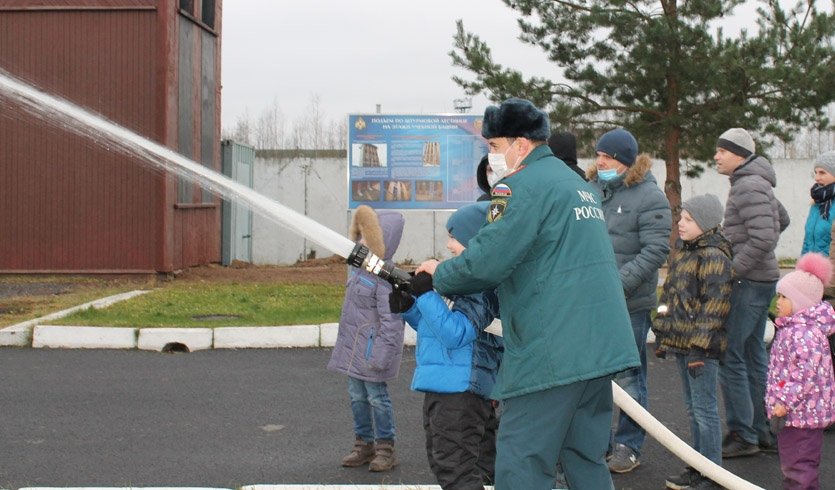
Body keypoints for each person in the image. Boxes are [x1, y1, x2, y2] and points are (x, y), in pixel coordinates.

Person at [416, 97, 640, 490]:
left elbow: (488, 258)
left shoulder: (519, 187)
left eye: (494, 147)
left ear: (521, 144)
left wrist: (439, 275)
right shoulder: (576, 184)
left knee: (520, 461)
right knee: (584, 458)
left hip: (553, 350)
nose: (492, 159)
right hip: (598, 344)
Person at [390, 201, 503, 489]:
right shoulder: (460, 280)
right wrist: (409, 306)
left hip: (460, 391)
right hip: (448, 386)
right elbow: (436, 328)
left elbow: (456, 333)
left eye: (454, 237)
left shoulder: (481, 286)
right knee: (460, 465)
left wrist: (426, 295)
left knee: (455, 469)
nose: (449, 245)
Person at [587, 127, 672, 473]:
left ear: (624, 161)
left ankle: (628, 444)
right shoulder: (591, 190)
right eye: (599, 155)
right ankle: (598, 442)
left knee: (629, 377)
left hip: (628, 303)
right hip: (591, 301)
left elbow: (656, 250)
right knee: (593, 376)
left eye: (607, 156)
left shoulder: (649, 196)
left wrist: (618, 285)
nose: (599, 161)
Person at [713, 127, 790, 458]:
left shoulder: (747, 184)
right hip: (761, 280)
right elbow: (781, 220)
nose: (716, 156)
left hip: (747, 283)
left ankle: (743, 434)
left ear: (739, 155)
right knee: (755, 354)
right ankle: (764, 431)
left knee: (731, 355)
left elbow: (764, 237)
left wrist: (733, 267)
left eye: (722, 151)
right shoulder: (758, 182)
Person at [653, 194, 732, 490]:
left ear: (706, 223)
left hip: (701, 350)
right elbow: (669, 299)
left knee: (704, 410)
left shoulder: (713, 256)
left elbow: (715, 307)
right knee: (692, 409)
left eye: (688, 219)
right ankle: (698, 465)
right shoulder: (683, 253)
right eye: (680, 218)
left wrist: (699, 347)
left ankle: (712, 473)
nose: (680, 224)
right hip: (681, 345)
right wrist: (662, 332)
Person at [327, 204, 406, 472]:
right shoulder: (358, 270)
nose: (359, 241)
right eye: (358, 234)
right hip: (354, 351)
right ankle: (363, 445)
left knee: (377, 398)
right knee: (356, 396)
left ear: (380, 239)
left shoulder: (386, 278)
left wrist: (381, 355)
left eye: (365, 235)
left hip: (373, 353)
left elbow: (392, 322)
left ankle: (386, 448)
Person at [767, 252, 835, 490]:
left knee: (800, 469)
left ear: (801, 302)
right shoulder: (793, 329)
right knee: (793, 465)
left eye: (784, 297)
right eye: (778, 295)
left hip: (803, 416)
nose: (778, 301)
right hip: (796, 414)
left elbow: (803, 375)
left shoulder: (805, 334)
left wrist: (783, 400)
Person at [803, 151, 835, 256]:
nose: (816, 178)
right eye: (815, 172)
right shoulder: (817, 202)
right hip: (812, 270)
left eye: (822, 173)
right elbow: (807, 242)